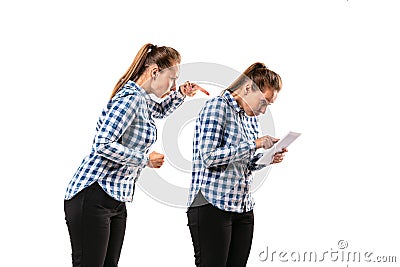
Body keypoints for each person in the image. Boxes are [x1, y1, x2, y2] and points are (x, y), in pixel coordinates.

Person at [64, 43, 202, 267]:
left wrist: (181, 94)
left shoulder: (143, 99)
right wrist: (144, 160)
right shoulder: (130, 99)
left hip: (114, 198)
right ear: (155, 71)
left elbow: (158, 111)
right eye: (172, 78)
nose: (173, 84)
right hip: (93, 194)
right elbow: (102, 143)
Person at [187, 62, 287, 266]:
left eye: (268, 105)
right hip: (211, 205)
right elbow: (208, 157)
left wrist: (267, 158)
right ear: (248, 88)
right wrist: (255, 143)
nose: (264, 110)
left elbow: (245, 163)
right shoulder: (217, 107)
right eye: (263, 102)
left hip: (242, 208)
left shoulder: (250, 117)